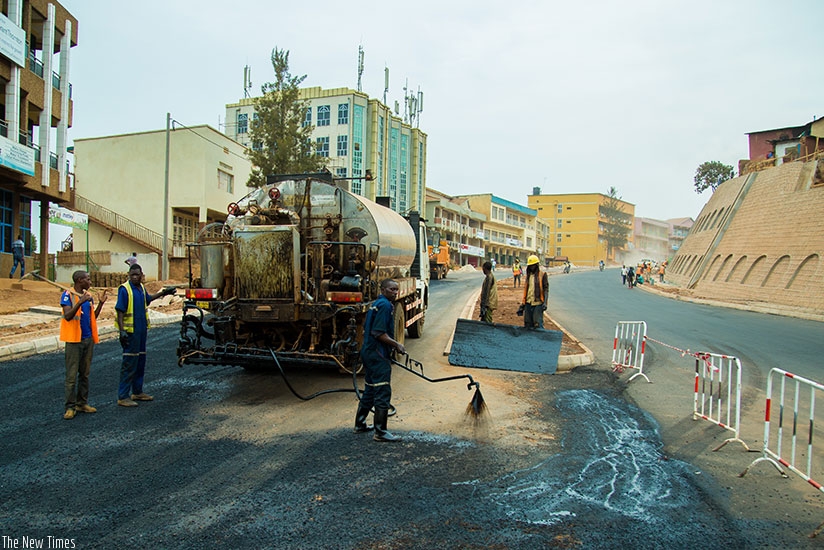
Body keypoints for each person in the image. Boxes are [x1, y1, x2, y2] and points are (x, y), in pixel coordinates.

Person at [115, 264, 175, 407]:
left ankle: (137, 391)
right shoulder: (125, 289)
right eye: (132, 275)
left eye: (137, 275)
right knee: (129, 363)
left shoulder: (140, 288)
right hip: (131, 332)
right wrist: (122, 331)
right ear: (129, 275)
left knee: (140, 362)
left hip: (141, 331)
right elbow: (120, 311)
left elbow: (148, 299)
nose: (135, 277)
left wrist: (164, 293)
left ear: (142, 275)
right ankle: (123, 396)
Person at [354, 279, 406, 442]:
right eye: (392, 289)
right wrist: (397, 344)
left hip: (369, 351)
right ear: (383, 289)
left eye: (396, 289)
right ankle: (381, 431)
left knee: (370, 388)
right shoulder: (385, 306)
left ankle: (360, 424)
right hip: (377, 354)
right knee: (382, 390)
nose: (395, 292)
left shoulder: (377, 303)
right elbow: (379, 333)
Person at [60, 271, 108, 420]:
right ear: (80, 280)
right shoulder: (68, 296)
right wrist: (80, 302)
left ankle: (82, 403)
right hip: (74, 340)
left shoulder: (88, 296)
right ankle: (70, 406)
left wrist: (100, 303)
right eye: (88, 279)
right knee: (71, 376)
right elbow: (68, 316)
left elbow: (93, 317)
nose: (90, 281)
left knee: (85, 374)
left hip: (88, 339)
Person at [521, 255, 548, 329]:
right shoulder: (529, 276)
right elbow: (526, 290)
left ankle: (540, 340)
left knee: (537, 324)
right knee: (527, 324)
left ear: (536, 265)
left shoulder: (542, 275)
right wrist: (523, 304)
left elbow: (546, 289)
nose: (531, 268)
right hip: (528, 303)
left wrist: (545, 302)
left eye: (532, 266)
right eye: (530, 266)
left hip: (538, 304)